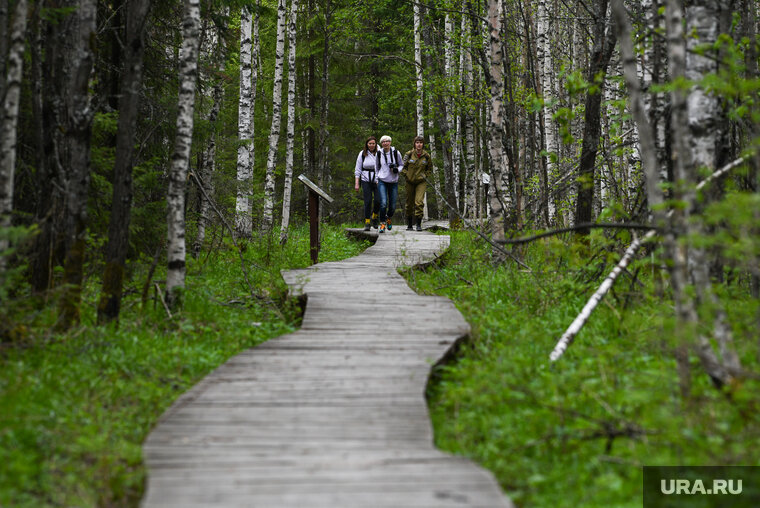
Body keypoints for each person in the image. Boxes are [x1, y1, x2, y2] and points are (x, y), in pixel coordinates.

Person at [402, 136, 432, 231]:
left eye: (421, 142)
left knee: (419, 202)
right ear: (414, 144)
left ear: (423, 144)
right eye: (417, 142)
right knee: (409, 203)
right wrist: (406, 175)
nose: (419, 144)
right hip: (409, 181)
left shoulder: (426, 156)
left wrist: (425, 175)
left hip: (421, 182)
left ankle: (418, 224)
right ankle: (410, 224)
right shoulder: (409, 154)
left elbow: (429, 169)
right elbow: (402, 167)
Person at [375, 135, 403, 234]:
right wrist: (376, 179)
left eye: (387, 141)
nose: (385, 143)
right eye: (383, 142)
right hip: (382, 180)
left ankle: (388, 217)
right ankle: (382, 223)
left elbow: (401, 165)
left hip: (393, 182)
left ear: (390, 142)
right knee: (383, 203)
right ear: (381, 144)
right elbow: (376, 167)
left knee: (392, 206)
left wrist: (397, 170)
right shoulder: (379, 153)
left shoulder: (396, 152)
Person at [354, 136, 380, 231]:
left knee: (378, 200)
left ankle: (375, 216)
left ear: (376, 144)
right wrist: (357, 183)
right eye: (370, 144)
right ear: (367, 144)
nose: (372, 145)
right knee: (368, 201)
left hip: (377, 180)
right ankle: (367, 222)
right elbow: (358, 169)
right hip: (365, 180)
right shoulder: (362, 154)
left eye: (373, 143)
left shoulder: (380, 153)